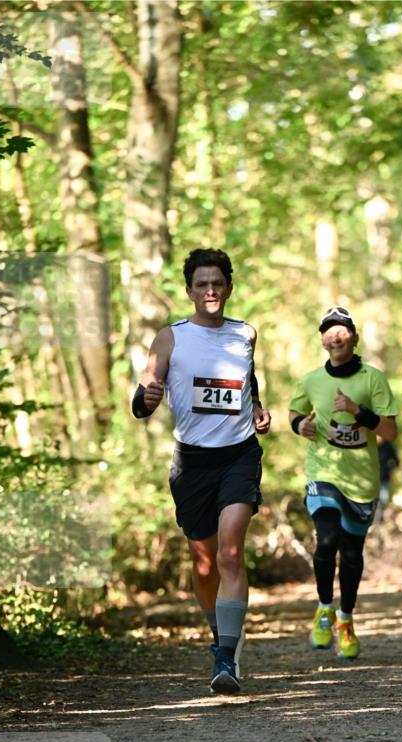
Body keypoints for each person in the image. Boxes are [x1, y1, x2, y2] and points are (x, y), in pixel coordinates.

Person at [132, 248, 271, 694]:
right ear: (190, 290)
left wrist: (258, 410)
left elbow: (248, 385)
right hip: (191, 461)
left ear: (229, 286)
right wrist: (146, 401)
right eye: (201, 284)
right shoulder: (170, 337)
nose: (210, 291)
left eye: (218, 283)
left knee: (231, 552)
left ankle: (227, 657)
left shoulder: (245, 334)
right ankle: (219, 634)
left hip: (238, 454)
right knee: (205, 562)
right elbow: (142, 397)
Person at [288, 306, 397, 659]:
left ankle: (345, 619)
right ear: (322, 340)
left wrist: (357, 410)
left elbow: (391, 432)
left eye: (342, 329)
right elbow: (295, 412)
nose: (335, 335)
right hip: (323, 472)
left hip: (361, 481)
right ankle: (323, 607)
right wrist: (298, 426)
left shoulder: (373, 379)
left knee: (351, 554)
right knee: (328, 538)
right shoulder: (311, 380)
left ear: (354, 337)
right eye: (328, 330)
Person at [377, 438, 399, 508]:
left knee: (383, 497)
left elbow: (396, 460)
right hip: (371, 477)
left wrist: (389, 468)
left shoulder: (388, 447)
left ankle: (382, 513)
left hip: (384, 476)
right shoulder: (371, 446)